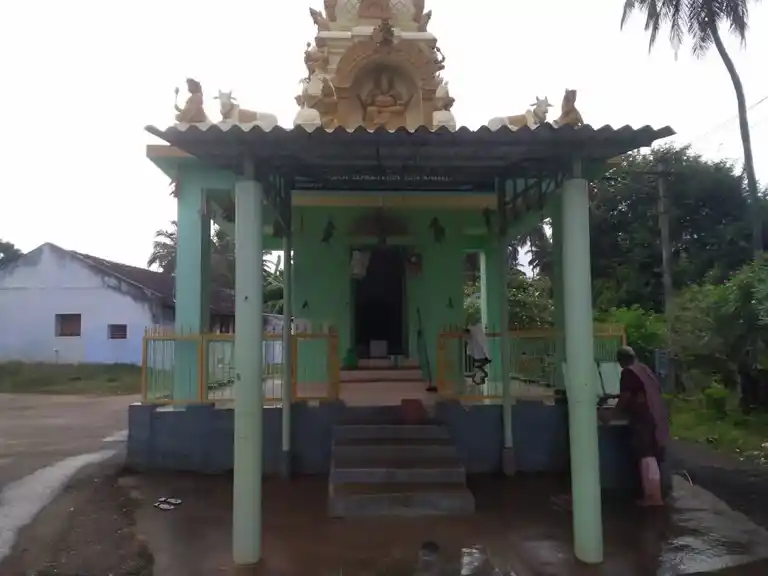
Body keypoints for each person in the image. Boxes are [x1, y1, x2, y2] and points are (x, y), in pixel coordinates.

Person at [602, 346, 670, 507]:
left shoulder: (628, 372)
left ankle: (653, 497)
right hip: (657, 415)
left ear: (621, 360)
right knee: (652, 454)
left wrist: (611, 415)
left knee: (645, 455)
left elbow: (626, 397)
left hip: (644, 418)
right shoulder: (644, 369)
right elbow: (641, 391)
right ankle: (655, 495)